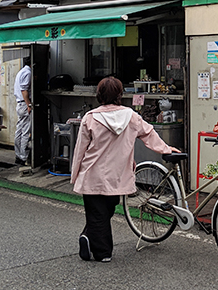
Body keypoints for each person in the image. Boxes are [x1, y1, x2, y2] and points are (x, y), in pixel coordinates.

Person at [71, 76, 180, 262]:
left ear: (99, 95)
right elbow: (149, 134)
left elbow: (80, 149)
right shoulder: (131, 117)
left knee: (97, 213)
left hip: (92, 173)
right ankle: (88, 238)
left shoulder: (90, 118)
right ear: (120, 95)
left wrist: (75, 176)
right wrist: (166, 149)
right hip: (118, 174)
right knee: (107, 209)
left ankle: (102, 252)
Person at [14, 57, 33, 165]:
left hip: (19, 103)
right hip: (24, 103)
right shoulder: (27, 73)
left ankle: (18, 155)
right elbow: (24, 90)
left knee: (19, 130)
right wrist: (29, 104)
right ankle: (23, 157)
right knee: (25, 131)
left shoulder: (21, 72)